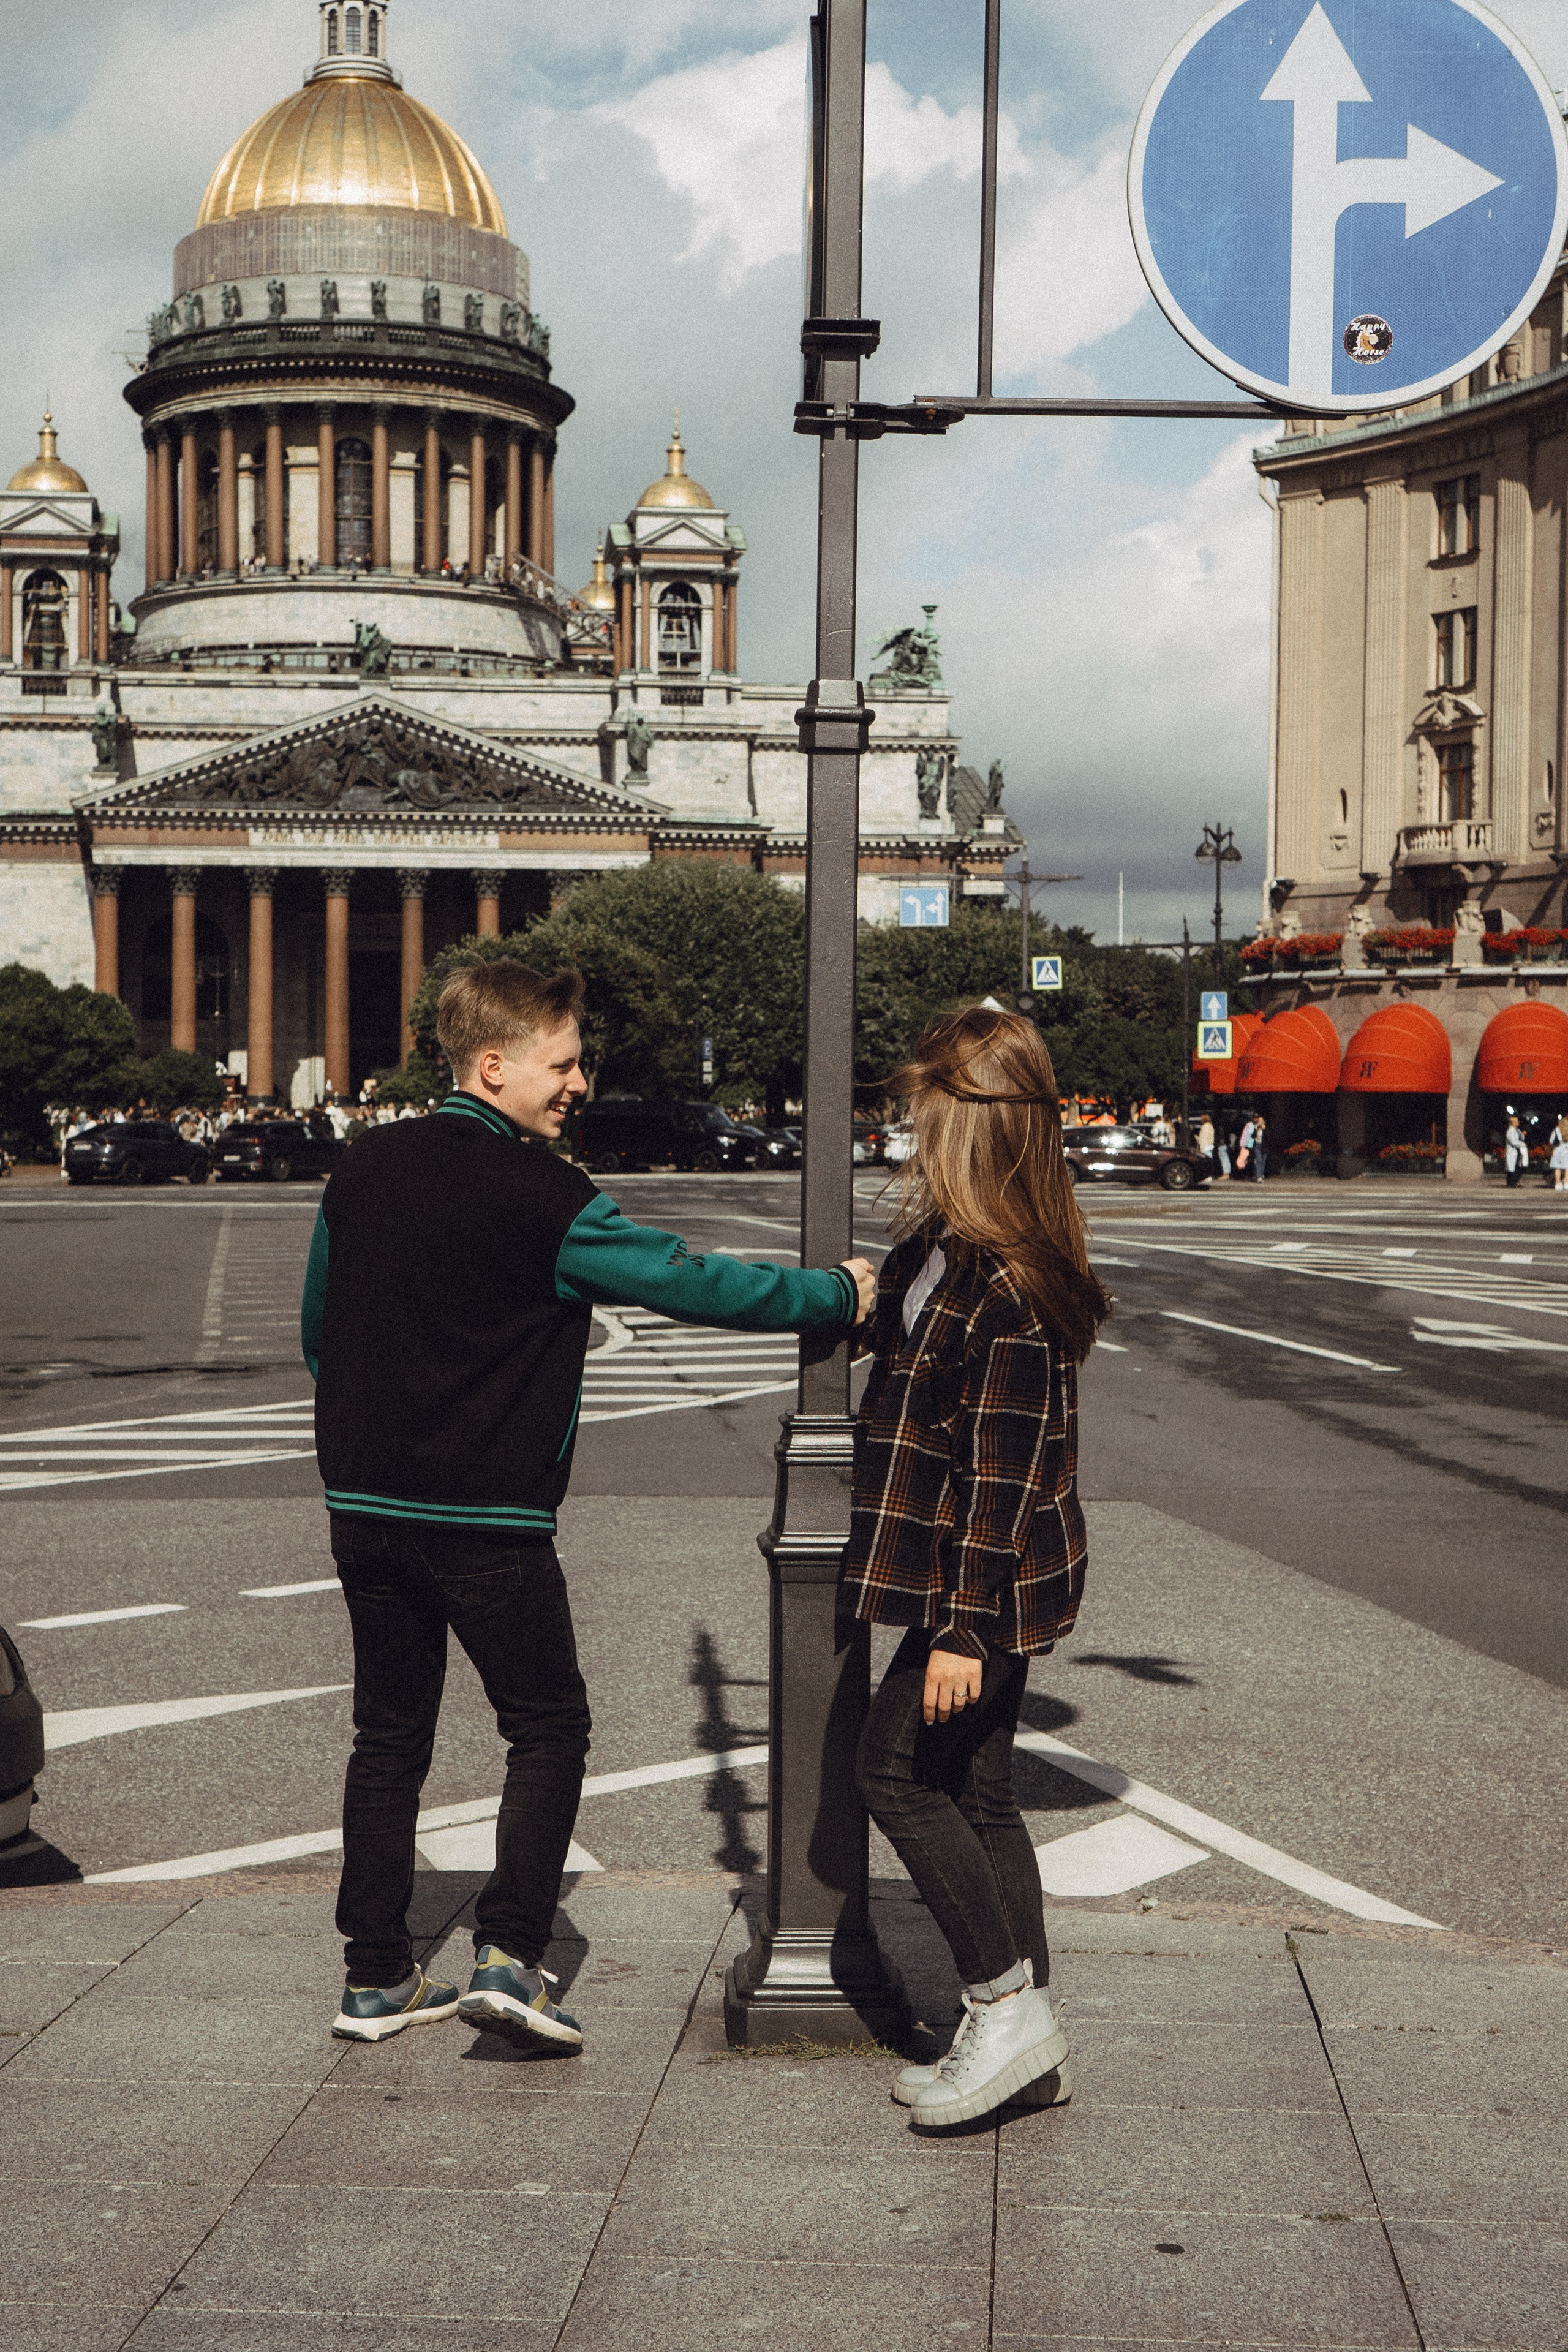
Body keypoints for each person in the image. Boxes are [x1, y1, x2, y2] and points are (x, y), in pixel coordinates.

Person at [301, 959, 875, 2047]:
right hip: (488, 1515)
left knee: (388, 1737)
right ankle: (511, 1959)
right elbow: (695, 1282)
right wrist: (837, 1295)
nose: (579, 1084)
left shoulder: (362, 1169)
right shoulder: (548, 1196)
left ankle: (374, 1977)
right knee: (548, 1725)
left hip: (364, 1507)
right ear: (494, 1065)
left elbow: (318, 1330)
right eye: (562, 1064)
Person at [842, 1007, 1109, 2130]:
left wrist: (960, 1628)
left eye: (924, 1111)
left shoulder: (1008, 1287)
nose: (909, 1130)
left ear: (972, 1128)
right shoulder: (943, 1249)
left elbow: (998, 1477)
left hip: (986, 1583)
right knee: (984, 1796)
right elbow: (905, 1354)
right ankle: (1025, 2040)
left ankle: (1001, 2003)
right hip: (988, 1576)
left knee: (891, 1775)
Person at [1504, 1114, 1528, 1188]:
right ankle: (1513, 1182)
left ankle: (1512, 1182)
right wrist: (1523, 1144)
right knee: (1517, 1168)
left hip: (1515, 1152)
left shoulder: (1515, 1130)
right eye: (1517, 1121)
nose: (1518, 1122)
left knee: (1513, 1168)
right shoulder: (1511, 1131)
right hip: (1513, 1151)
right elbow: (1513, 1142)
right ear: (1513, 1122)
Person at [1549, 1114, 1568, 1195]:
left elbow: (1551, 1141)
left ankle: (1558, 1183)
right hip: (1567, 1150)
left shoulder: (1557, 1129)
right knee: (1567, 1168)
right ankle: (1566, 1183)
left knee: (1557, 1168)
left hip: (1558, 1150)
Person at [1250, 1110, 1268, 1182]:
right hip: (1257, 1145)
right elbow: (1253, 1136)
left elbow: (1268, 1137)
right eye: (1259, 1121)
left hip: (1264, 1146)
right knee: (1259, 1160)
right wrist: (1256, 1129)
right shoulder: (1257, 1127)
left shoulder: (1265, 1128)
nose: (1259, 1122)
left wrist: (1264, 1129)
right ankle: (1259, 1177)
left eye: (1261, 1121)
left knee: (1263, 1161)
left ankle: (1261, 1174)